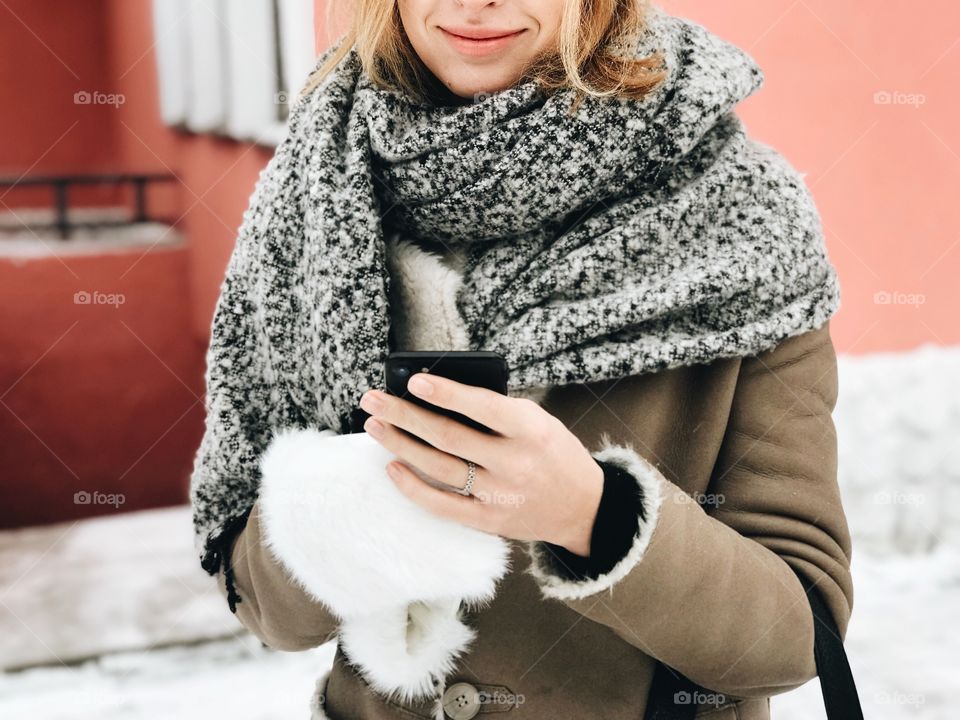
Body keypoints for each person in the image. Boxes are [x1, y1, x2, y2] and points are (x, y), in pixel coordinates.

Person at [189, 2, 854, 718]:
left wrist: (593, 516)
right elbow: (268, 611)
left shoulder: (742, 221)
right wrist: (339, 510)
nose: (476, 4)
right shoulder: (316, 190)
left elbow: (796, 639)